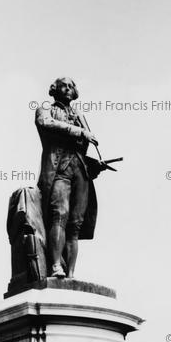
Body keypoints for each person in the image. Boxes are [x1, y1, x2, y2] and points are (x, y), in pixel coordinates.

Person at [35, 77, 106, 279]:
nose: (68, 88)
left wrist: (95, 165)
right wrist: (80, 131)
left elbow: (80, 150)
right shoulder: (45, 109)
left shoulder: (79, 115)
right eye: (64, 85)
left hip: (80, 172)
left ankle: (71, 275)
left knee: (75, 223)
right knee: (60, 214)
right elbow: (45, 123)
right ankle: (56, 266)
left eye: (71, 86)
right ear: (54, 89)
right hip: (59, 170)